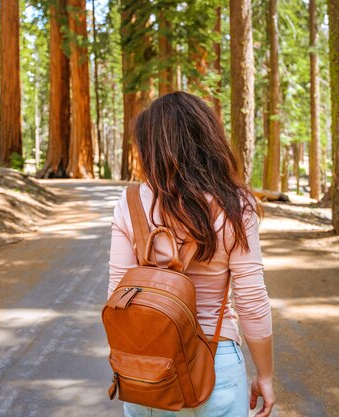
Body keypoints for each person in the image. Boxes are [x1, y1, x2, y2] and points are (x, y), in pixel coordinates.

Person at [107, 91, 275, 417]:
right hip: (217, 361)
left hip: (149, 366)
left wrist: (132, 363)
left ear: (151, 147)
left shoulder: (129, 204)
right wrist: (264, 375)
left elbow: (118, 296)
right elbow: (252, 299)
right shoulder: (235, 206)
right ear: (208, 137)